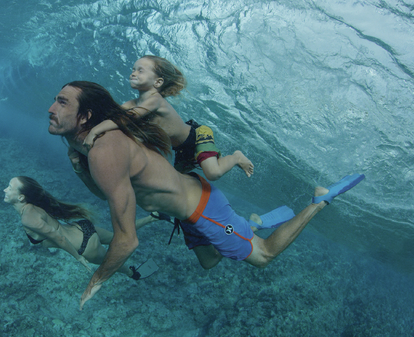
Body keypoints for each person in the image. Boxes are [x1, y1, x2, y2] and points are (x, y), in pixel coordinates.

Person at [47, 81, 364, 309]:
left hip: (202, 207)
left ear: (86, 116)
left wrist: (97, 279)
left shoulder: (105, 150)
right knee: (209, 261)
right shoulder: (86, 149)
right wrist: (79, 168)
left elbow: (127, 241)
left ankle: (319, 200)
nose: (51, 108)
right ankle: (246, 225)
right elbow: (108, 193)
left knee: (263, 256)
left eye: (62, 102)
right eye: (55, 100)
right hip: (188, 211)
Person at [83, 55, 253, 179]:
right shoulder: (133, 102)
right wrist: (89, 119)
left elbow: (128, 118)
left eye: (140, 71)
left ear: (158, 82)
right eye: (133, 70)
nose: (133, 73)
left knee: (213, 173)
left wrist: (95, 131)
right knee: (177, 181)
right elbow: (114, 114)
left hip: (198, 135)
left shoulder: (154, 100)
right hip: (181, 149)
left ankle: (236, 157)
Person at [3, 176, 161, 280]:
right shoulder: (33, 204)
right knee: (117, 236)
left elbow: (58, 238)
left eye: (9, 187)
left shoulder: (27, 219)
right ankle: (152, 217)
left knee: (115, 264)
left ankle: (135, 273)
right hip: (82, 228)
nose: (5, 189)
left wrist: (79, 259)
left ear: (21, 197)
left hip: (84, 247)